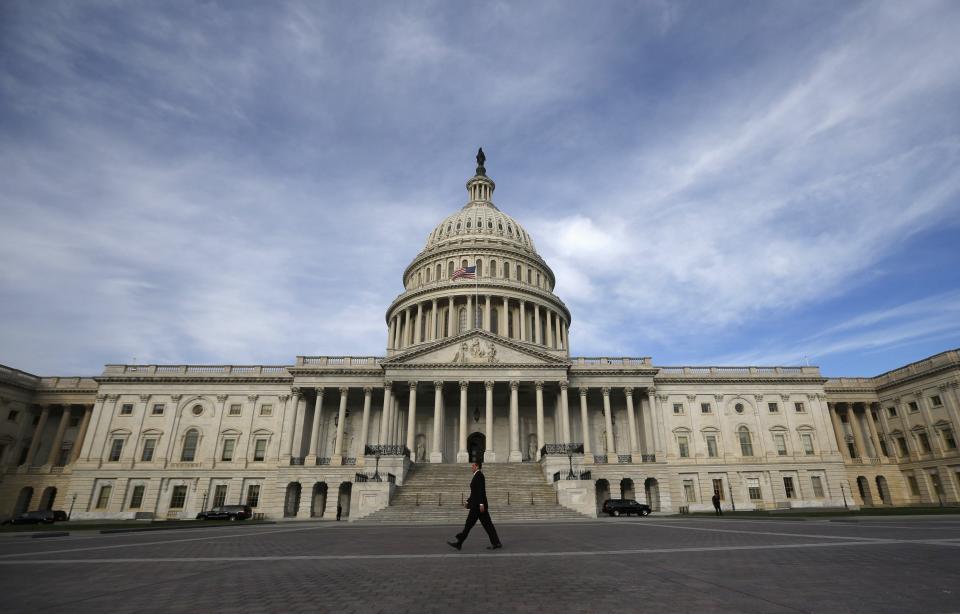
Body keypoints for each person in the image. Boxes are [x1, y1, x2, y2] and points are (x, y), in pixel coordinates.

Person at [448, 462, 502, 551]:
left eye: (473, 466)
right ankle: (496, 543)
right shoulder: (476, 475)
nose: (471, 467)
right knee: (486, 525)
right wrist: (467, 501)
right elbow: (474, 492)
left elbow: (480, 491)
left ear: (477, 466)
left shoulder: (479, 475)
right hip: (476, 505)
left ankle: (459, 541)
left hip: (478, 507)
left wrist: (481, 504)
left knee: (470, 524)